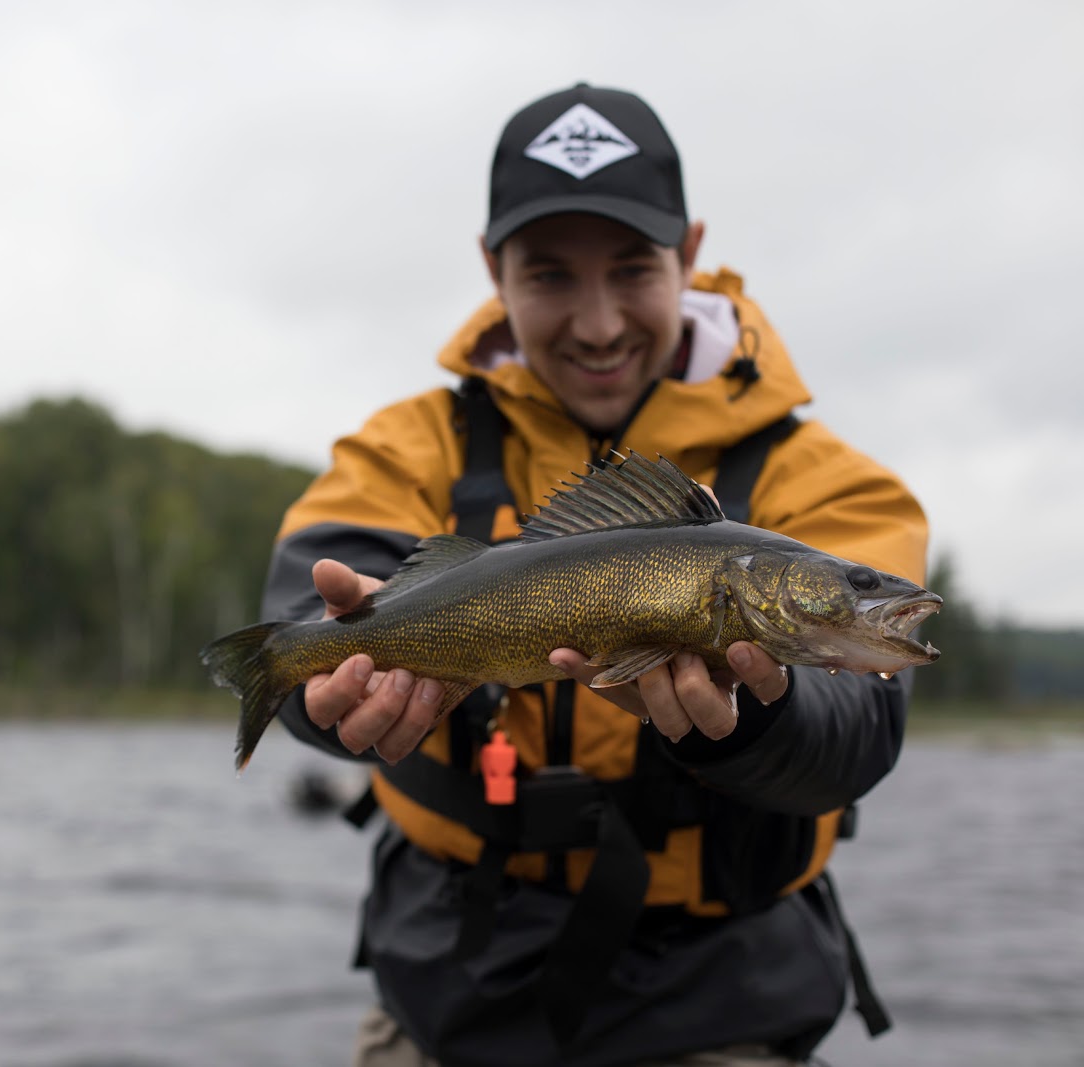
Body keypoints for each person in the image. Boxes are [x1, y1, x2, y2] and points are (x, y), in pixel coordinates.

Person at [256, 83, 929, 1067]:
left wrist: (759, 718)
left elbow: (857, 732)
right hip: (450, 989)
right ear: (493, 270)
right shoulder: (406, 446)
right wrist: (332, 689)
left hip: (718, 999)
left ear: (688, 253)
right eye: (549, 276)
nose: (598, 321)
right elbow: (302, 624)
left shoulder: (830, 486)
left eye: (630, 270)